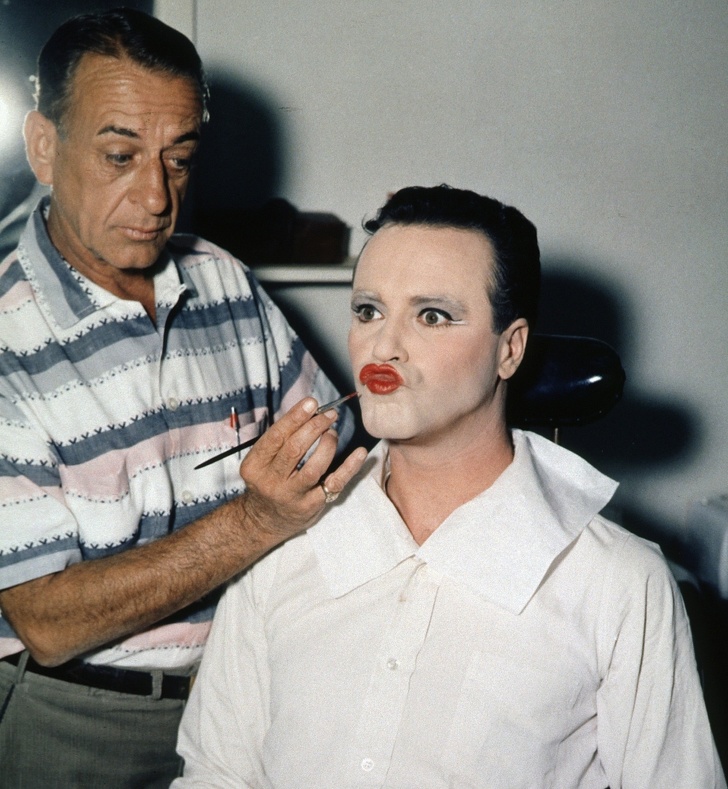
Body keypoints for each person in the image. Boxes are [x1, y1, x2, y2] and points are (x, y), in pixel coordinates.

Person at [175, 184, 725, 788]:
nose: (383, 346)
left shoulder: (618, 583)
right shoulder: (284, 549)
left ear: (510, 349)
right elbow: (215, 775)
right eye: (368, 311)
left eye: (432, 316)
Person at [0, 8, 367, 787]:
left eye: (179, 160)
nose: (156, 196)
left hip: (242, 701)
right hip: (74, 720)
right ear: (43, 147)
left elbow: (337, 458)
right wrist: (255, 520)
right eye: (120, 155)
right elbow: (46, 618)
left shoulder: (223, 280)